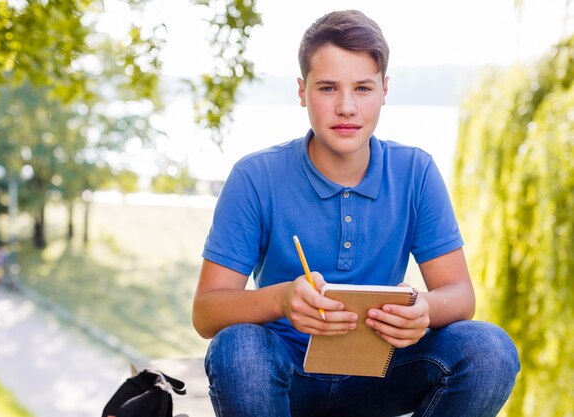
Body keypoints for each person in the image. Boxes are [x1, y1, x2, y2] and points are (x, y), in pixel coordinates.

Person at [192, 10, 519, 417]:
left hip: (384, 371)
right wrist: (282, 298)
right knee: (236, 347)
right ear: (302, 91)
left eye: (363, 88)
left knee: (490, 350)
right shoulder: (255, 176)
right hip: (283, 375)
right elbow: (207, 313)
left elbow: (460, 296)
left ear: (384, 90)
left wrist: (423, 309)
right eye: (328, 88)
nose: (346, 107)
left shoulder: (415, 171)